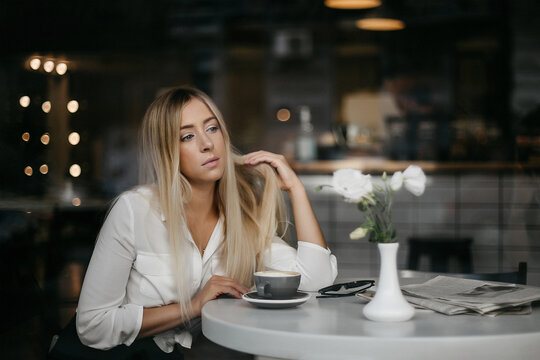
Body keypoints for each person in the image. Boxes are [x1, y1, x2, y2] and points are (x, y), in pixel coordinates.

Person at [56, 86, 338, 358]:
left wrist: (296, 189)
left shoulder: (242, 221)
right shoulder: (134, 211)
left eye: (212, 128)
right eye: (187, 137)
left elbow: (316, 282)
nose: (207, 144)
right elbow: (92, 326)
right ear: (168, 151)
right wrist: (191, 307)